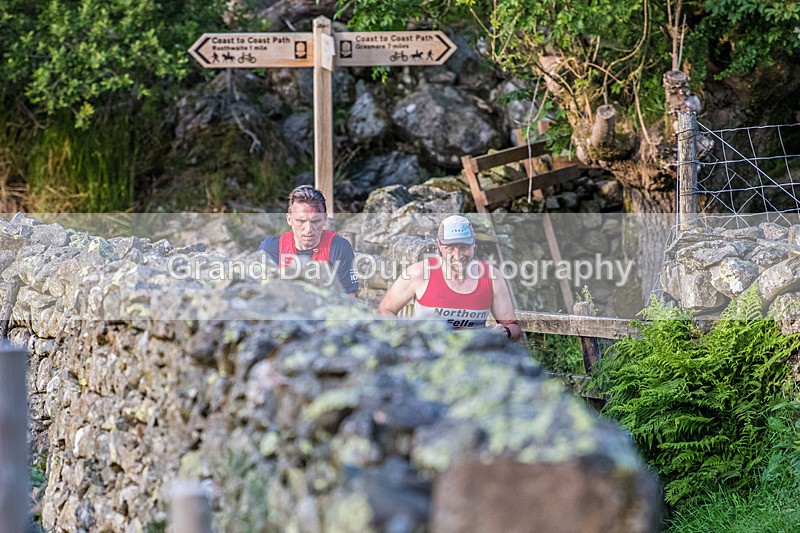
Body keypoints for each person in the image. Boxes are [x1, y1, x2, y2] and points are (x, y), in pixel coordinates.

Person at [378, 215, 522, 340]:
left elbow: (513, 327)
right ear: (439, 245)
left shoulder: (491, 276)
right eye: (450, 248)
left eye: (463, 247)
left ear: (473, 243)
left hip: (474, 360)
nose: (457, 256)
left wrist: (505, 333)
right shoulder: (419, 273)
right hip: (429, 359)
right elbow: (385, 310)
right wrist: (407, 336)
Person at [258, 185, 358, 295]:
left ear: (325, 219)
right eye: (301, 221)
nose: (308, 229)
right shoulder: (270, 249)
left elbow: (349, 299)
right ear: (289, 219)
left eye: (315, 221)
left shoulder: (339, 247)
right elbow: (255, 293)